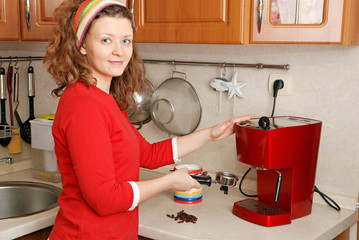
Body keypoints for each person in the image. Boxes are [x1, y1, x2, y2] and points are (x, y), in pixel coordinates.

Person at [44, 0, 253, 239]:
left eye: (126, 40)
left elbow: (148, 155)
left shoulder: (103, 99)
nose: (119, 51)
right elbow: (104, 199)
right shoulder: (84, 105)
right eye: (106, 40)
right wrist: (169, 181)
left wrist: (210, 134)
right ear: (82, 45)